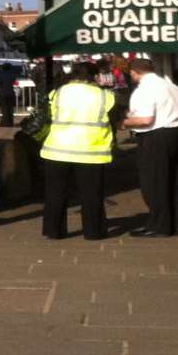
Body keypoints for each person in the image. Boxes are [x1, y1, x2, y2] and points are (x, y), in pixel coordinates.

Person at [41, 61, 114, 240]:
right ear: (94, 75)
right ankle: (93, 232)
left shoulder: (57, 93)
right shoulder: (106, 96)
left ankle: (54, 231)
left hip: (57, 149)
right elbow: (114, 119)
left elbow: (49, 115)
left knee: (55, 193)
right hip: (91, 152)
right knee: (91, 195)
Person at [122, 58, 178, 236]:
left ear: (134, 72)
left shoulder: (144, 90)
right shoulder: (173, 87)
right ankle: (177, 224)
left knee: (155, 182)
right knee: (175, 181)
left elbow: (145, 119)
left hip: (155, 137)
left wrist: (124, 123)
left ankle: (158, 226)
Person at [0, 62, 21, 127]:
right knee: (10, 108)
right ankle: (9, 122)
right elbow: (13, 81)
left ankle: (6, 123)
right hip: (11, 93)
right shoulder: (13, 75)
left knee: (4, 108)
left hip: (2, 93)